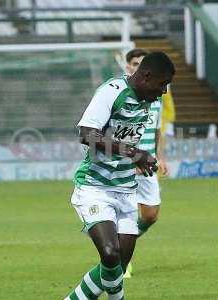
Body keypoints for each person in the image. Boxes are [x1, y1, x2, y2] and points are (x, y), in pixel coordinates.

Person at [64, 52, 175, 300]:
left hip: (126, 190)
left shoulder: (147, 100)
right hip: (95, 187)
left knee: (115, 268)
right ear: (146, 76)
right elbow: (87, 134)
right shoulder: (112, 91)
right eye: (162, 83)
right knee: (110, 253)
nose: (164, 91)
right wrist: (134, 153)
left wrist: (142, 158)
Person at [122, 49, 170, 278]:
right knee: (128, 216)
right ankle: (122, 260)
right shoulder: (121, 94)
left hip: (148, 165)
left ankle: (119, 243)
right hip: (126, 165)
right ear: (128, 66)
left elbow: (158, 129)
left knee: (151, 216)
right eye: (134, 63)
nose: (137, 66)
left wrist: (160, 156)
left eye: (141, 63)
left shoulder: (156, 97)